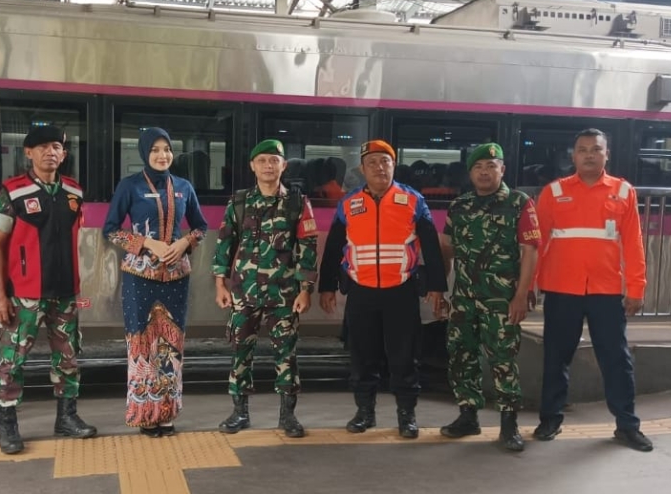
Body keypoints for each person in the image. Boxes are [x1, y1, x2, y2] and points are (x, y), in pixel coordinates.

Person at [533, 129, 653, 452]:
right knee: (556, 358)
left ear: (606, 155)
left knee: (616, 360)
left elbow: (633, 244)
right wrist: (529, 285)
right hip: (561, 289)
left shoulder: (624, 192)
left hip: (606, 291)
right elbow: (537, 244)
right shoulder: (553, 192)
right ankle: (550, 419)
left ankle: (627, 425)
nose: (589, 155)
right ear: (573, 156)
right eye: (582, 149)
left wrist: (636, 287)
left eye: (595, 149)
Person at [318, 140, 447, 439]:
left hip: (401, 291)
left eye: (385, 161)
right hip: (361, 292)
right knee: (363, 356)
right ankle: (365, 412)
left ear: (393, 165)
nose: (379, 167)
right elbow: (334, 247)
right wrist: (326, 287)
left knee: (404, 357)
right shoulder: (348, 203)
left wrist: (437, 286)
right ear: (362, 169)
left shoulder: (413, 200)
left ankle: (406, 415)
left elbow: (431, 245)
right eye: (372, 162)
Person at [0, 124, 96, 455]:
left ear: (64, 154)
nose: (51, 152)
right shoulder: (13, 191)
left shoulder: (74, 191)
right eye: (43, 147)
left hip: (65, 292)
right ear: (28, 153)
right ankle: (7, 425)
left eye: (57, 147)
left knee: (68, 357)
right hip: (25, 294)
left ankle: (67, 417)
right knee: (12, 360)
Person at [103, 127, 208, 437]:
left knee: (172, 344)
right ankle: (144, 413)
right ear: (144, 153)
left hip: (176, 277)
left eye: (167, 149)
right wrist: (147, 243)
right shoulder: (130, 186)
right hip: (139, 277)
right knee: (141, 344)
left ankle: (166, 412)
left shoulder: (184, 187)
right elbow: (111, 230)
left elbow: (200, 227)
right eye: (155, 150)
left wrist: (185, 242)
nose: (163, 155)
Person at [435, 143, 540, 452]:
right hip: (464, 298)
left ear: (502, 170)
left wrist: (521, 295)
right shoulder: (460, 206)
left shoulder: (519, 203)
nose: (484, 172)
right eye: (478, 167)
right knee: (461, 355)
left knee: (503, 359)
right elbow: (446, 249)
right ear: (470, 173)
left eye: (491, 166)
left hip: (502, 299)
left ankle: (509, 423)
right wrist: (440, 290)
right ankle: (468, 415)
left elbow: (530, 251)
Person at [211, 139, 319, 438]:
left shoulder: (298, 203)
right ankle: (239, 412)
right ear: (253, 166)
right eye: (262, 161)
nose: (268, 166)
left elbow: (308, 247)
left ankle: (288, 416)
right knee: (240, 352)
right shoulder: (239, 202)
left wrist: (306, 289)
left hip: (283, 294)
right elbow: (224, 243)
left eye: (274, 160)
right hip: (243, 292)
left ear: (284, 165)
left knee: (286, 355)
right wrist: (220, 284)